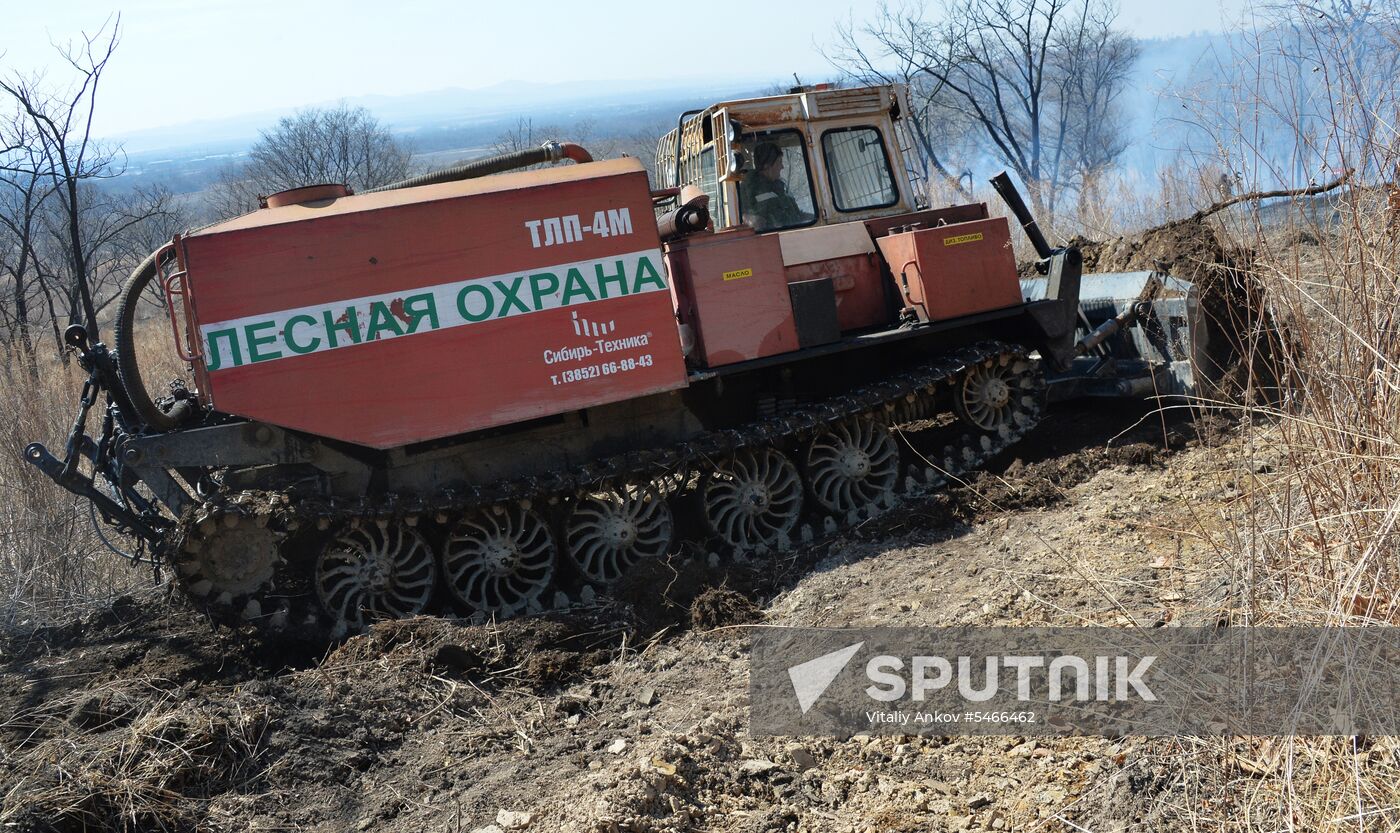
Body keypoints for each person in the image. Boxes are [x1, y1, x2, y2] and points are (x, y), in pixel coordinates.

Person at [742, 142, 810, 231]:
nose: (782, 167)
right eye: (779, 162)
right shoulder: (750, 190)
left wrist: (812, 218)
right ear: (767, 165)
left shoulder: (780, 188)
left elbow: (795, 215)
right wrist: (749, 219)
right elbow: (746, 218)